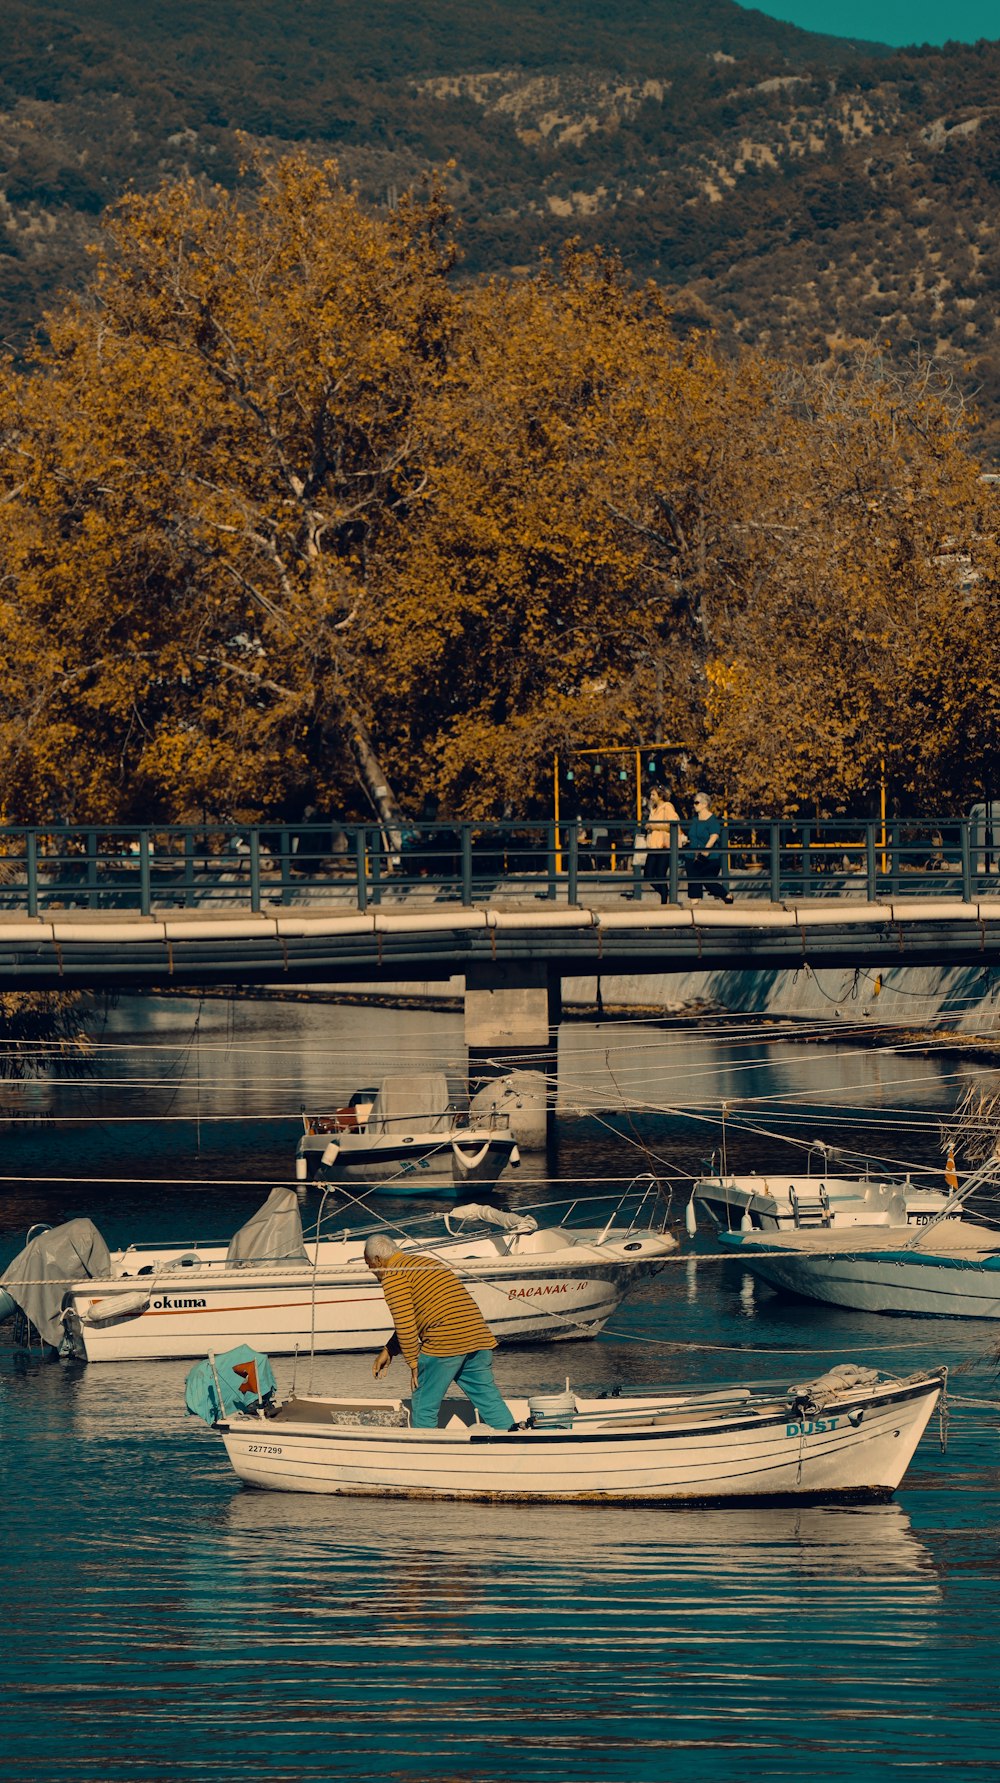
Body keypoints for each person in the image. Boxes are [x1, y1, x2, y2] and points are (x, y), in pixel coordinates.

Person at [364, 1233, 515, 1430]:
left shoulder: (393, 1276)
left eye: (369, 1265)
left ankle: (426, 1454)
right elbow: (418, 1316)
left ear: (378, 1260)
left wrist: (413, 1363)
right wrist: (389, 1350)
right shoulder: (427, 1262)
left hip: (445, 1343)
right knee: (489, 1400)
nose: (371, 1270)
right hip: (477, 1337)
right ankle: (515, 1440)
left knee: (423, 1403)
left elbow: (405, 1324)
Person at [686, 791, 733, 903]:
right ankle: (694, 906)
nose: (694, 805)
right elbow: (691, 835)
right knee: (693, 881)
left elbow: (714, 836)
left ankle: (726, 895)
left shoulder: (712, 820)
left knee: (708, 881)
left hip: (709, 858)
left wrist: (705, 851)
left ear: (705, 804)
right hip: (692, 855)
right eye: (694, 803)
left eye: (697, 803)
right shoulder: (694, 820)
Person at [643, 791, 686, 904]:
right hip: (653, 846)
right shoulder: (653, 809)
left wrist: (653, 826)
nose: (651, 797)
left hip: (664, 845)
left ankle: (664, 901)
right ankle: (665, 892)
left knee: (660, 873)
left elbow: (672, 824)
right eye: (651, 794)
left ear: (660, 796)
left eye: (653, 794)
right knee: (648, 874)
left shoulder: (667, 807)